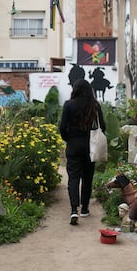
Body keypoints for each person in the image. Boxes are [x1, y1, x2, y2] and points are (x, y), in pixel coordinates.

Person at [59, 79, 105, 225]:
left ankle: (74, 210)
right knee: (87, 177)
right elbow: (103, 126)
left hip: (73, 145)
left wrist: (68, 138)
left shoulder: (68, 105)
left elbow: (62, 127)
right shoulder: (95, 106)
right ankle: (84, 208)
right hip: (90, 146)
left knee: (73, 178)